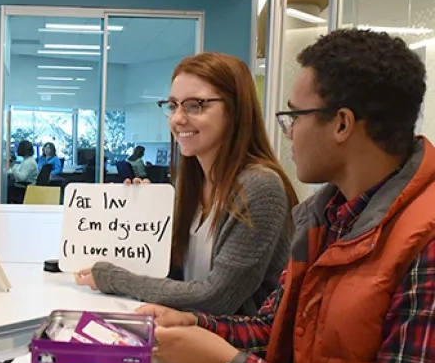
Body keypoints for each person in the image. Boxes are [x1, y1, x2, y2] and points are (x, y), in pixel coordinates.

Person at [140, 29, 435, 363]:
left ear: (341, 123)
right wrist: (193, 325)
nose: (288, 132)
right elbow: (270, 329)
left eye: (295, 117)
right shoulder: (323, 215)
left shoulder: (423, 242)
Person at [75, 53, 298, 319]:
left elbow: (216, 298)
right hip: (188, 338)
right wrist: (143, 221)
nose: (178, 118)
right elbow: (175, 277)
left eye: (195, 106)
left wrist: (114, 279)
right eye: (173, 105)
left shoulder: (260, 186)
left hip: (233, 352)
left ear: (235, 111)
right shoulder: (191, 184)